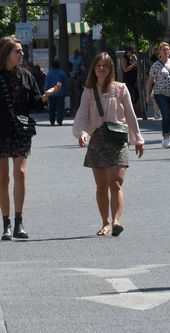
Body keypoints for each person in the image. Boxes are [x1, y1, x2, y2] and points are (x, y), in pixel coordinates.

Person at [0, 37, 61, 240]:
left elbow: (35, 104)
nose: (21, 54)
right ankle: (6, 222)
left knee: (20, 173)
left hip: (20, 131)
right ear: (6, 53)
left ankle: (19, 222)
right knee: (3, 178)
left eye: (22, 51)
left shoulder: (26, 76)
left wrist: (47, 95)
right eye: (18, 51)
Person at [73, 53, 144, 237]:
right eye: (98, 66)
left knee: (116, 183)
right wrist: (81, 134)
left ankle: (116, 221)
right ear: (94, 69)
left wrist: (138, 139)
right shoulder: (88, 91)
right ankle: (105, 222)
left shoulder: (121, 89)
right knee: (102, 185)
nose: (102, 68)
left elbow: (130, 115)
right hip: (97, 141)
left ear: (111, 68)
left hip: (117, 140)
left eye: (105, 65)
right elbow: (81, 117)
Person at [45, 59, 68, 126]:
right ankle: (59, 120)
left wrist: (46, 92)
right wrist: (66, 91)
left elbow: (47, 84)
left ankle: (52, 121)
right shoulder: (62, 73)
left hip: (51, 93)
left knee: (51, 108)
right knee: (60, 108)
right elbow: (65, 83)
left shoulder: (49, 74)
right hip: (60, 93)